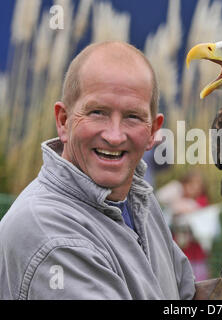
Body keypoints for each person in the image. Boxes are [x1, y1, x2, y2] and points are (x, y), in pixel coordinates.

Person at [0, 41, 196, 299]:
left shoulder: (139, 203)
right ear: (63, 121)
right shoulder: (50, 232)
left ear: (153, 132)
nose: (114, 136)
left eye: (132, 116)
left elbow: (184, 297)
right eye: (97, 112)